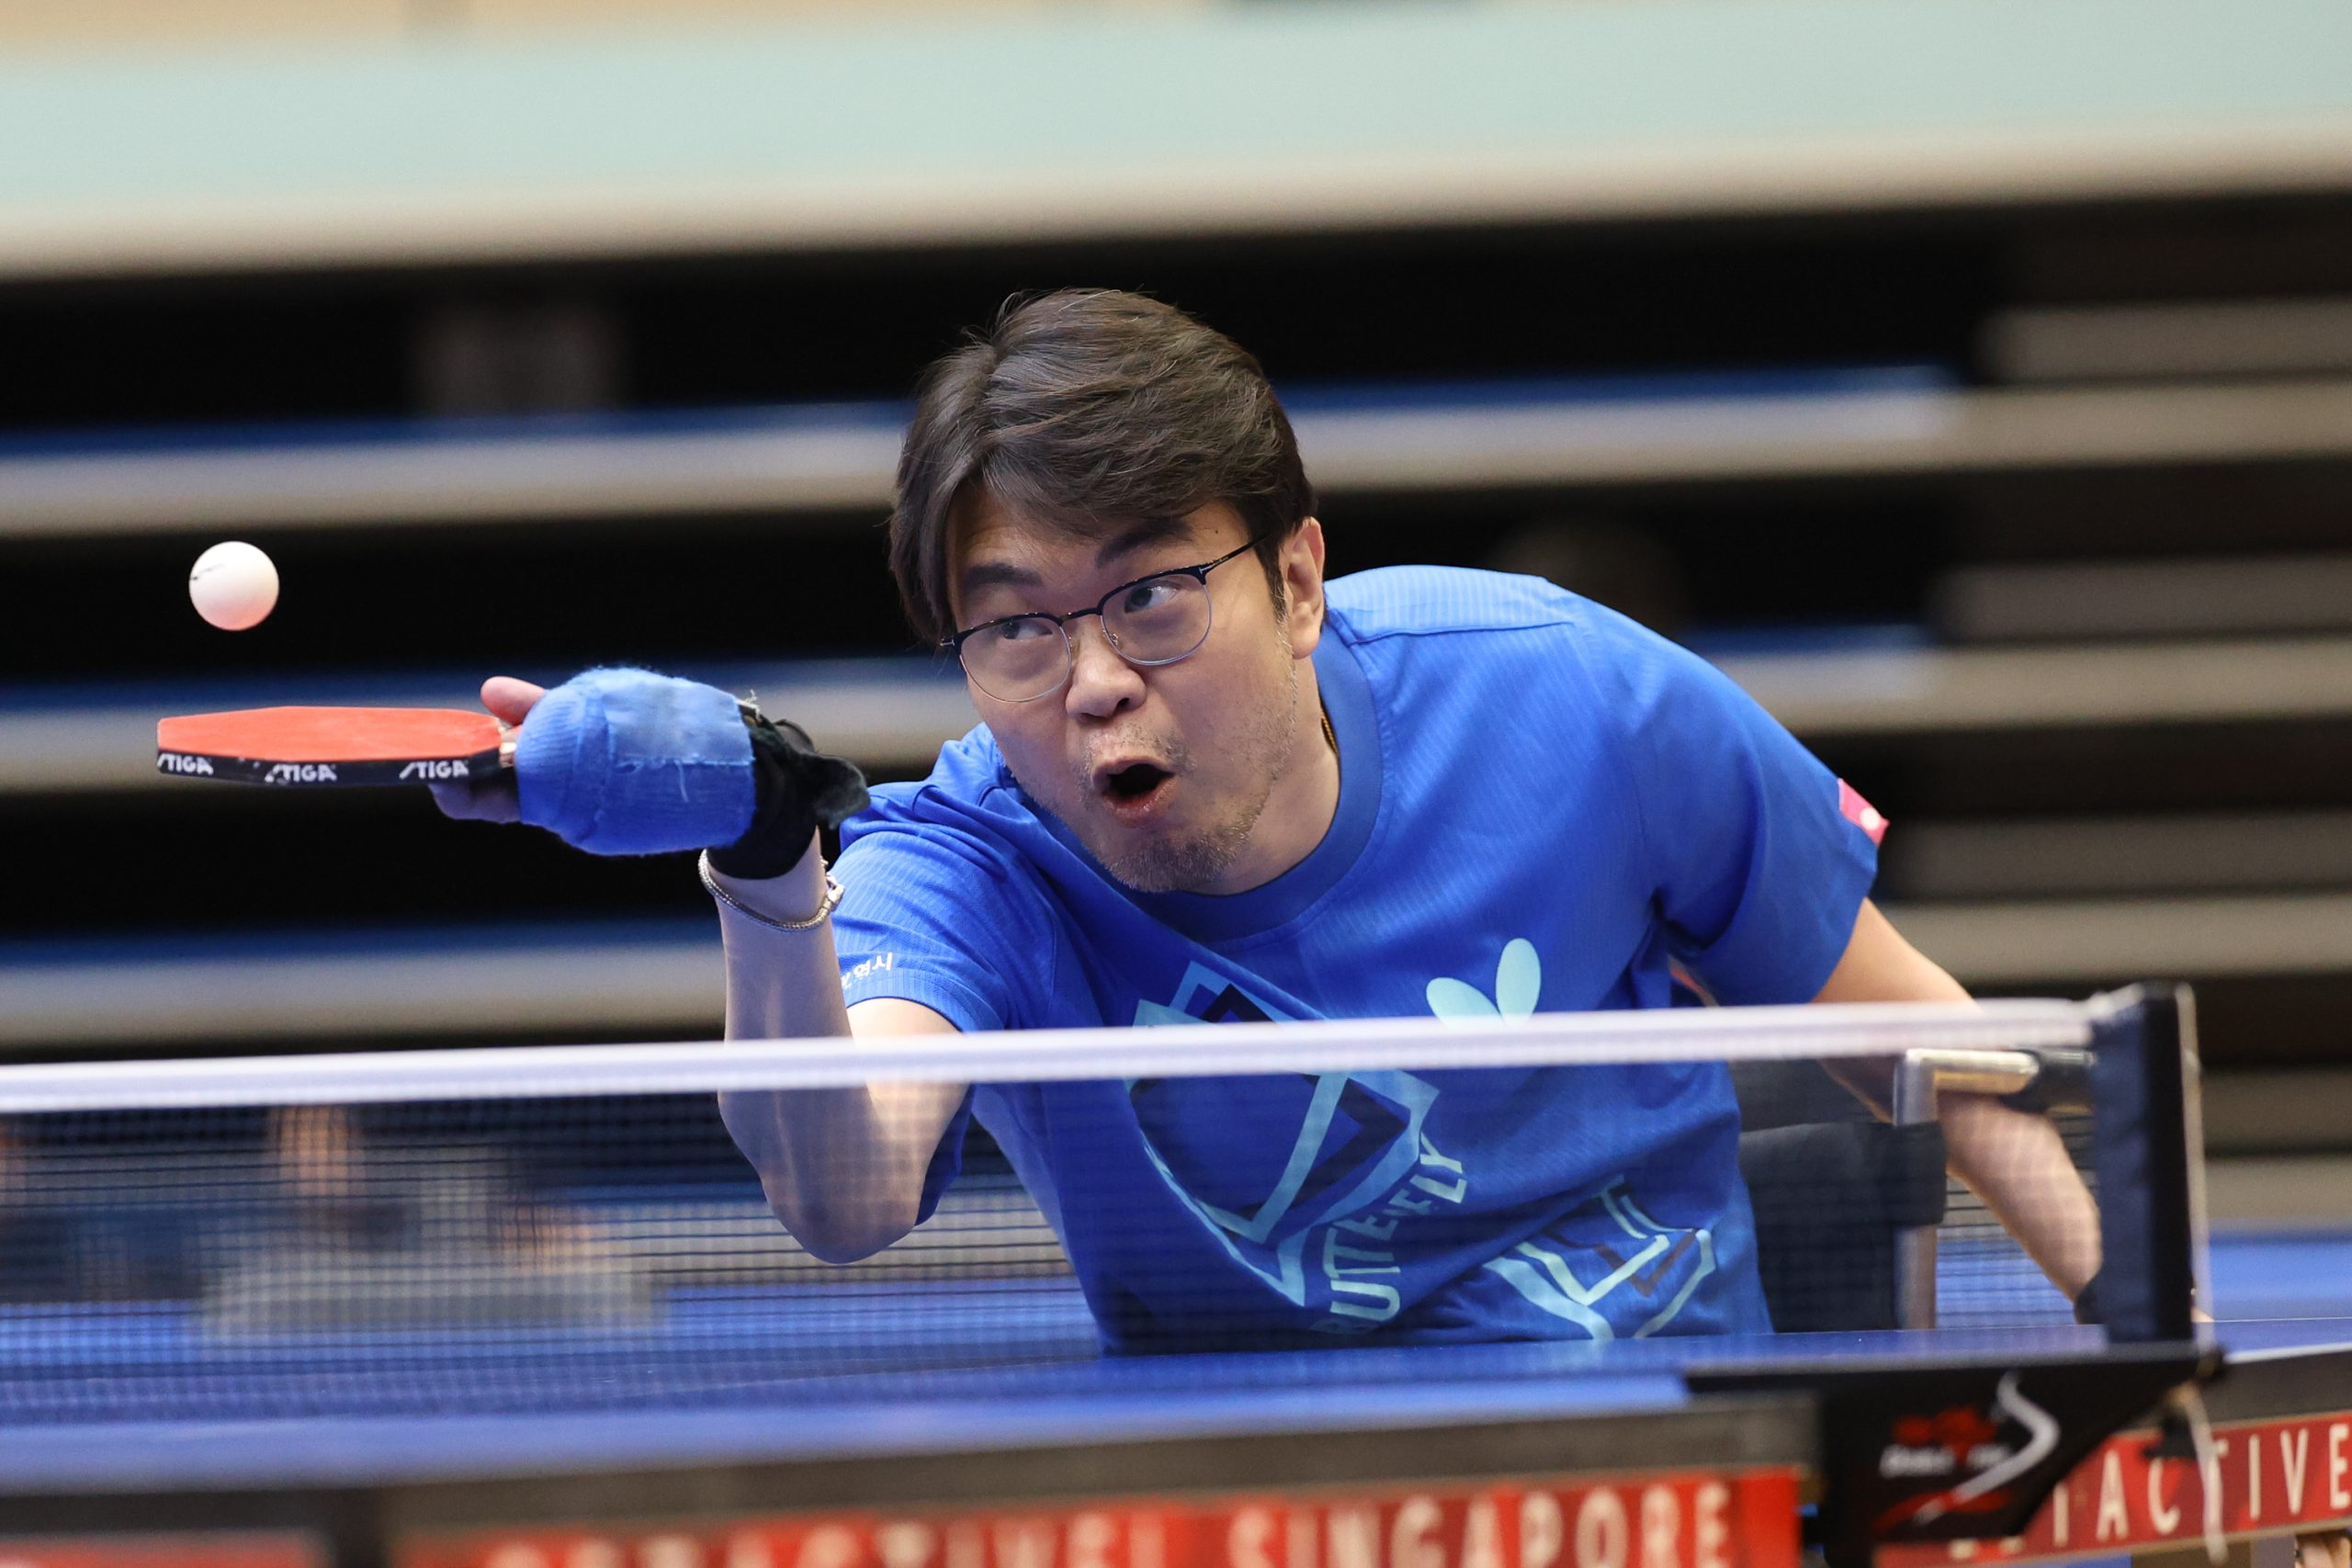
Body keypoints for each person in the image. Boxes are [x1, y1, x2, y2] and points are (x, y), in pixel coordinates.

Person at [435, 288, 2098, 1350]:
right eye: (1014, 624)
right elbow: (846, 1189)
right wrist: (763, 867)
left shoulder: (1563, 696)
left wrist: (2159, 1340)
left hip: (1659, 1477)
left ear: (1297, 579)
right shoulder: (975, 862)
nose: (1088, 682)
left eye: (1151, 595)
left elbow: (1932, 1047)